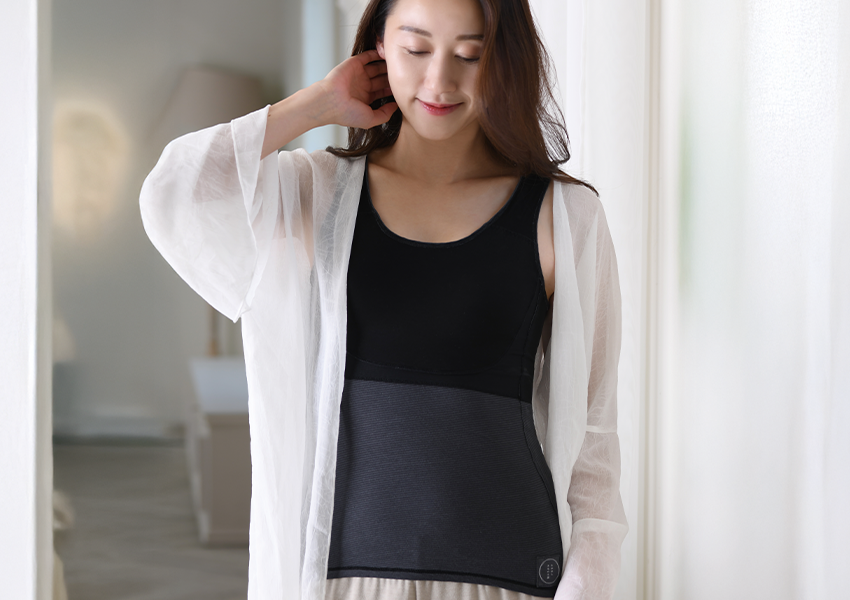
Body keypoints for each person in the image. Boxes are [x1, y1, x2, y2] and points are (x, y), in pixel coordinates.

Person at [139, 0, 628, 598]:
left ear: (506, 59)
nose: (439, 81)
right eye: (416, 49)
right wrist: (318, 103)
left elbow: (594, 445)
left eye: (470, 55)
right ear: (377, 47)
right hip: (349, 578)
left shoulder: (566, 216)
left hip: (509, 579)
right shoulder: (317, 193)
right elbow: (174, 195)